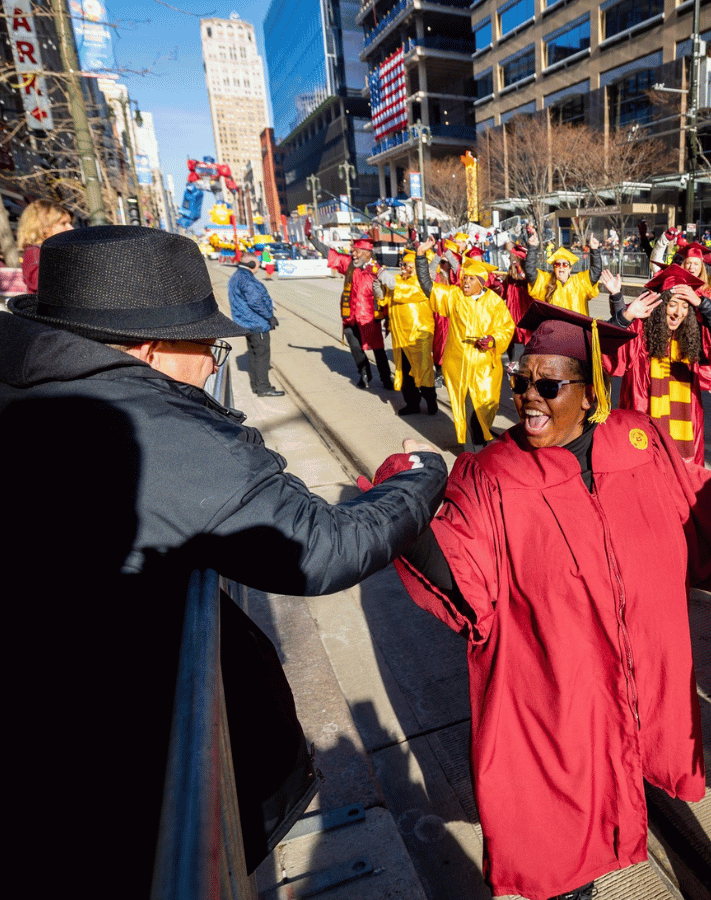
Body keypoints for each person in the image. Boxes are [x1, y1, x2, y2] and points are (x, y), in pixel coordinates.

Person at [0, 225, 447, 893]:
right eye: (206, 346)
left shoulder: (26, 384)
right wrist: (419, 477)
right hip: (121, 799)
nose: (215, 364)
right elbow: (322, 547)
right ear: (150, 350)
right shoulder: (155, 428)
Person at [387, 299, 711, 900]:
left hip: (636, 677)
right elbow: (459, 576)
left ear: (590, 395)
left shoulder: (638, 442)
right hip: (556, 698)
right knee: (562, 848)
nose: (527, 397)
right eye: (521, 380)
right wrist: (402, 503)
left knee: (618, 785)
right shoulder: (492, 477)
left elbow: (691, 495)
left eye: (549, 384)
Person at [605, 264, 711, 465]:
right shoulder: (640, 332)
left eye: (684, 306)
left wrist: (700, 303)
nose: (678, 313)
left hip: (685, 425)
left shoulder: (690, 335)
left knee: (683, 479)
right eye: (672, 304)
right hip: (643, 416)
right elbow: (608, 350)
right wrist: (625, 311)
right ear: (660, 305)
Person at [411, 241, 514, 450]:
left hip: (485, 369)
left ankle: (481, 448)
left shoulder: (494, 302)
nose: (466, 282)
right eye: (465, 278)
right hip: (458, 366)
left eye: (471, 279)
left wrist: (493, 340)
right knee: (467, 411)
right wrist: (421, 257)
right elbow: (427, 286)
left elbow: (506, 328)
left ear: (481, 282)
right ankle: (473, 456)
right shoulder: (454, 297)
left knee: (481, 412)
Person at [305, 221, 392, 389]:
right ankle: (365, 373)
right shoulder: (349, 265)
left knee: (378, 349)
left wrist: (388, 317)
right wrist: (310, 237)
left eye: (357, 252)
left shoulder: (376, 270)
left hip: (370, 318)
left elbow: (387, 294)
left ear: (367, 253)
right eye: (353, 251)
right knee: (355, 348)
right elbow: (328, 253)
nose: (354, 254)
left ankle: (386, 378)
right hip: (350, 316)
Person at [377, 249, 438, 415]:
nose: (403, 268)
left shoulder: (421, 282)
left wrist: (382, 274)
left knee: (423, 369)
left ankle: (431, 400)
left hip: (419, 334)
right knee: (405, 372)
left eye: (407, 265)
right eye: (401, 264)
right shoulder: (397, 279)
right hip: (401, 335)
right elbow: (385, 298)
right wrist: (378, 287)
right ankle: (412, 403)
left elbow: (402, 290)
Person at [227, 256, 284, 397]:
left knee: (253, 355)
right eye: (257, 264)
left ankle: (256, 386)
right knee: (262, 356)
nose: (258, 267)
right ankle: (264, 387)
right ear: (252, 264)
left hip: (246, 322)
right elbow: (256, 301)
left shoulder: (237, 276)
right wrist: (269, 316)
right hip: (256, 323)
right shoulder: (247, 280)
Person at [524, 228, 603, 315]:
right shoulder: (546, 282)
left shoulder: (580, 283)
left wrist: (595, 249)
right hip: (554, 328)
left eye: (565, 264)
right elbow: (530, 272)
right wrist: (532, 247)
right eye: (557, 264)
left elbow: (595, 272)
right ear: (554, 268)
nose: (561, 267)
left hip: (576, 328)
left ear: (570, 269)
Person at [16, 198, 72, 291]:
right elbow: (44, 283)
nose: (70, 228)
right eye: (63, 223)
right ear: (44, 227)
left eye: (69, 223)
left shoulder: (55, 250)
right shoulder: (35, 252)